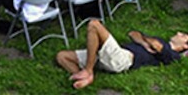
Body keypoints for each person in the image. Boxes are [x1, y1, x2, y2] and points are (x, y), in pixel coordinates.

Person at [55, 20, 187, 89]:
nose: (180, 33)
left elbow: (157, 45)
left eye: (184, 35)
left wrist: (148, 41)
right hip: (112, 53)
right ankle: (85, 76)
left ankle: (88, 70)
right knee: (62, 56)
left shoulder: (172, 55)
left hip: (122, 59)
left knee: (94, 25)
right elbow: (132, 34)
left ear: (184, 46)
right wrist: (144, 42)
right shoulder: (160, 41)